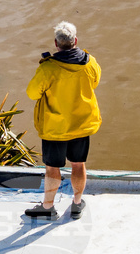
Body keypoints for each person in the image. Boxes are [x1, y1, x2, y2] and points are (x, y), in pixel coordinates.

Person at [24, 21, 102, 221]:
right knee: (78, 164)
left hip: (54, 128)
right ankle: (77, 204)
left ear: (56, 44)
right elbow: (95, 82)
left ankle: (48, 207)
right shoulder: (90, 62)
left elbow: (32, 93)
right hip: (81, 125)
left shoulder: (49, 68)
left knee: (52, 168)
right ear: (75, 41)